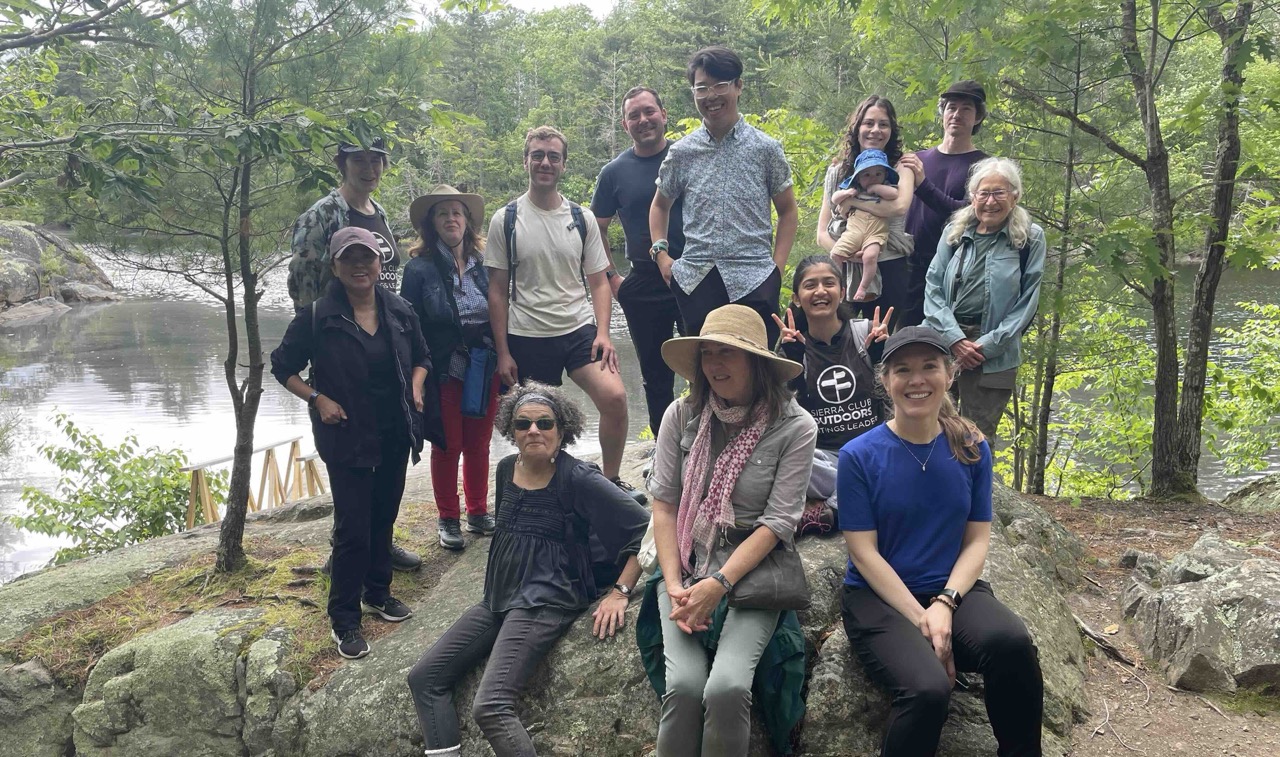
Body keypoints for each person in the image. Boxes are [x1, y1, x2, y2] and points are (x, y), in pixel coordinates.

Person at [406, 382, 649, 757]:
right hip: (499, 599)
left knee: (491, 706)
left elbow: (647, 528)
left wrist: (621, 591)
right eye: (523, 424)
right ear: (511, 431)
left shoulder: (579, 478)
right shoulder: (506, 469)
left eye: (544, 423)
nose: (533, 430)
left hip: (547, 601)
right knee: (425, 678)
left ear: (562, 430)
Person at [837, 325, 1044, 756]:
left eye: (929, 367)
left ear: (949, 375)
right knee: (928, 689)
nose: (917, 380)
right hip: (878, 599)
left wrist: (946, 604)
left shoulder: (970, 445)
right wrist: (925, 621)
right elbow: (863, 552)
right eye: (902, 370)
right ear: (885, 381)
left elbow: (976, 541)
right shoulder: (859, 455)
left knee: (1012, 644)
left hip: (951, 590)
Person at [647, 304, 817, 755]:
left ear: (756, 362)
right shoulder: (680, 416)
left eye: (728, 353)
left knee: (725, 688)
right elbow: (664, 506)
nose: (715, 365)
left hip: (753, 569)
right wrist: (675, 585)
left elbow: (779, 521)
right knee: (683, 686)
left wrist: (718, 585)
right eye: (707, 353)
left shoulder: (795, 425)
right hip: (684, 560)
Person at [270, 227, 443, 660]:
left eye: (367, 258)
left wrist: (418, 386)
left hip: (394, 432)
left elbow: (423, 357)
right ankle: (344, 618)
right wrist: (317, 398)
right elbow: (282, 366)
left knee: (384, 517)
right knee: (352, 530)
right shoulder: (317, 317)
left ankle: (377, 593)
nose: (360, 266)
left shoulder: (400, 310)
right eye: (350, 259)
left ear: (380, 264)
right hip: (346, 434)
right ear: (335, 266)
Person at [486, 125, 645, 503]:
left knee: (615, 398)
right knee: (532, 421)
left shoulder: (581, 217)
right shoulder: (505, 220)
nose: (545, 162)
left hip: (577, 329)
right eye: (538, 155)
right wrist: (503, 351)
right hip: (527, 333)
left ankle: (609, 483)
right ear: (526, 161)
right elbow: (496, 292)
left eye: (553, 156)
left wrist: (603, 333)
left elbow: (600, 282)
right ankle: (540, 486)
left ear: (563, 164)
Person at [286, 138, 421, 573]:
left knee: (385, 459)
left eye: (375, 160)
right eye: (358, 160)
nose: (368, 168)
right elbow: (304, 292)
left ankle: (379, 545)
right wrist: (320, 353)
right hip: (339, 350)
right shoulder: (322, 215)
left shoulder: (376, 213)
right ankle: (344, 555)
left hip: (383, 343)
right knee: (350, 458)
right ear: (340, 163)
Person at [649, 46, 798, 349]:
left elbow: (788, 211)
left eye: (720, 85)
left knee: (758, 368)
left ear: (738, 86)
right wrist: (661, 254)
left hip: (755, 277)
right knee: (703, 370)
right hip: (696, 278)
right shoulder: (683, 152)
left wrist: (776, 270)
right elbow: (660, 204)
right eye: (702, 88)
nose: (711, 96)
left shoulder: (765, 148)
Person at [401, 184, 499, 551]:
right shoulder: (419, 269)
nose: (451, 219)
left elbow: (502, 310)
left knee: (480, 441)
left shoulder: (486, 265)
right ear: (433, 223)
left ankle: (477, 511)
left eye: (457, 212)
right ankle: (448, 518)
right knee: (447, 444)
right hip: (443, 367)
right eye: (443, 214)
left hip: (483, 362)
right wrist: (415, 374)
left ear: (467, 220)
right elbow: (408, 325)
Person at [923, 157, 1045, 441]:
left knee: (977, 437)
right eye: (984, 193)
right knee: (933, 428)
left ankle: (975, 487)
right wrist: (955, 339)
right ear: (972, 197)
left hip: (995, 351)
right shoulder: (955, 231)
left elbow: (1028, 301)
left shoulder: (1029, 238)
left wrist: (986, 346)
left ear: (1015, 196)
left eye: (999, 193)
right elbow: (933, 287)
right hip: (944, 343)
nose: (991, 201)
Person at [592, 85, 687, 437]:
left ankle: (708, 445)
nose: (643, 120)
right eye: (635, 115)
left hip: (694, 274)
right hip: (643, 282)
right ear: (624, 123)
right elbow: (595, 229)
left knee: (709, 365)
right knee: (655, 374)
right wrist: (613, 278)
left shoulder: (687, 155)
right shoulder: (614, 172)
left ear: (664, 114)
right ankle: (664, 451)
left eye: (649, 112)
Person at [773, 256, 890, 528]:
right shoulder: (792, 346)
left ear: (843, 291)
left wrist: (881, 360)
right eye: (810, 285)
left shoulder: (867, 334)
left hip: (871, 449)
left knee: (895, 461)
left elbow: (894, 402)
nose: (820, 291)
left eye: (829, 283)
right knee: (779, 458)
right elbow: (785, 416)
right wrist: (793, 368)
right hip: (822, 457)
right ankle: (858, 497)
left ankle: (832, 510)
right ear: (797, 298)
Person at [817, 96, 916, 328]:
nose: (875, 130)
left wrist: (854, 202)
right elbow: (821, 232)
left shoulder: (903, 167)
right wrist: (848, 255)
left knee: (882, 344)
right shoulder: (838, 171)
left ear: (892, 130)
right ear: (857, 127)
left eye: (883, 124)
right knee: (839, 340)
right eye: (868, 123)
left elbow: (898, 206)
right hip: (845, 267)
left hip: (891, 266)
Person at [900, 81, 990, 327]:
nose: (957, 115)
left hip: (954, 272)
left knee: (943, 351)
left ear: (978, 117)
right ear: (942, 113)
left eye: (966, 109)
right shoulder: (918, 159)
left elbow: (969, 214)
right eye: (951, 108)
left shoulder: (985, 167)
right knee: (901, 344)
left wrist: (923, 185)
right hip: (907, 268)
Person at [829, 149, 901, 302]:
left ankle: (863, 287)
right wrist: (847, 194)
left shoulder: (886, 188)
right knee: (835, 254)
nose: (873, 178)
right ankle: (838, 282)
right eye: (867, 175)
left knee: (870, 256)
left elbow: (894, 195)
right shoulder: (853, 188)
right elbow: (835, 199)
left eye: (878, 174)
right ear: (858, 177)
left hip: (875, 233)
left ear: (885, 175)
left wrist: (876, 188)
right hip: (853, 231)